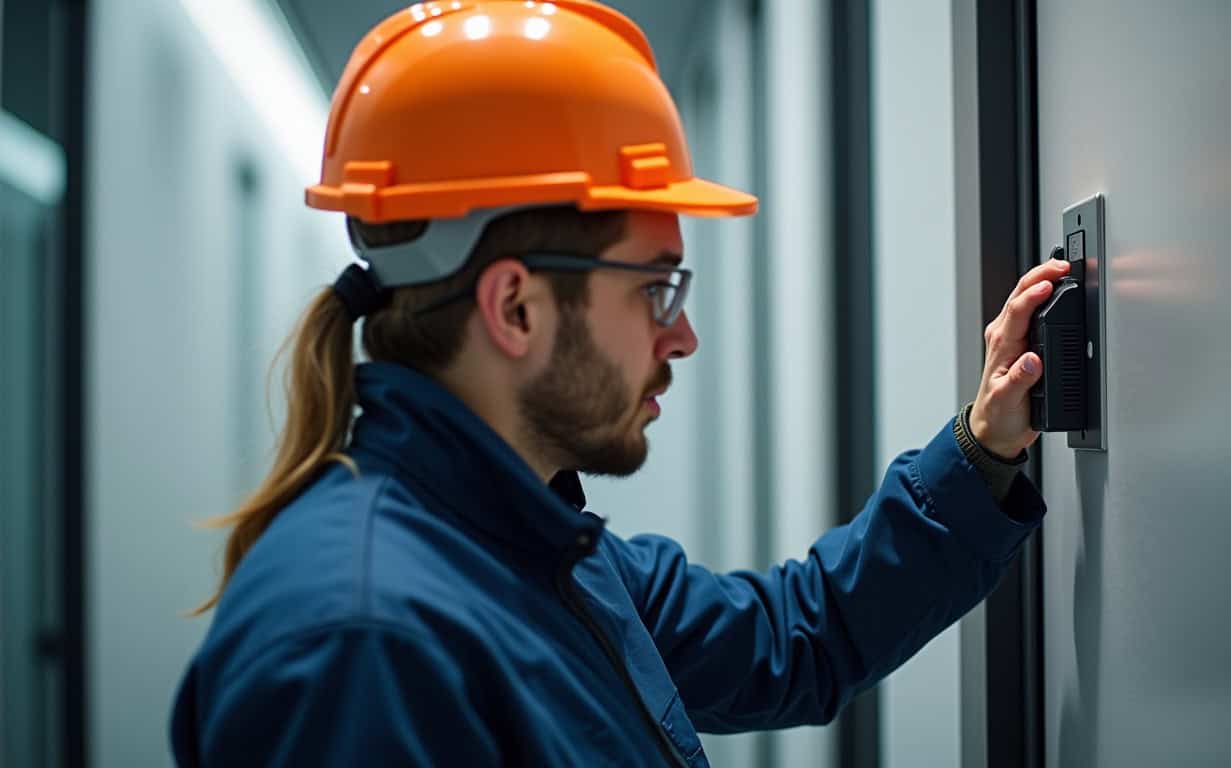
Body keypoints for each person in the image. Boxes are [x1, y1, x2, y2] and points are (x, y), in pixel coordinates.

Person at [170, 1, 1066, 765]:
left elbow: (797, 637)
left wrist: (982, 450)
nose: (683, 336)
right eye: (655, 289)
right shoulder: (366, 646)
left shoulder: (537, 551)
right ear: (515, 307)